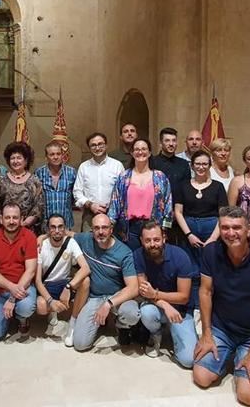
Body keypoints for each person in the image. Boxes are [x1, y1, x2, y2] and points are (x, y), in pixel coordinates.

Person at [193, 206, 250, 406]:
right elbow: (205, 292)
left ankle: (245, 359)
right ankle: (231, 354)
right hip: (222, 328)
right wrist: (207, 334)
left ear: (249, 230)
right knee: (201, 377)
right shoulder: (210, 252)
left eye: (237, 228)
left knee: (247, 397)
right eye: (225, 227)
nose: (231, 233)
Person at [71, 214, 140, 351]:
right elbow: (67, 234)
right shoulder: (86, 239)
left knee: (131, 314)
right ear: (92, 230)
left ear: (111, 229)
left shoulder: (124, 252)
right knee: (80, 344)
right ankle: (99, 323)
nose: (101, 231)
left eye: (104, 227)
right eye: (96, 228)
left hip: (117, 297)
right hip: (95, 297)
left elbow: (133, 288)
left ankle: (122, 326)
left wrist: (108, 304)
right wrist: (42, 237)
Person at [134, 221, 198, 367]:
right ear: (141, 241)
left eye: (156, 239)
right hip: (156, 306)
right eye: (147, 240)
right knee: (146, 312)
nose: (152, 244)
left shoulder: (180, 256)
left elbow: (183, 297)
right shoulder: (138, 255)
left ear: (164, 238)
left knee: (188, 361)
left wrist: (155, 294)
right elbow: (144, 292)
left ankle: (177, 332)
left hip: (181, 309)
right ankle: (156, 333)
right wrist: (164, 304)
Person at [173, 150, 227, 308]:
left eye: (204, 164)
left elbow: (222, 214)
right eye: (198, 163)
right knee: (192, 271)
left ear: (210, 165)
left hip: (212, 231)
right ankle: (194, 307)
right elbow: (178, 212)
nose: (201, 167)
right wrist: (189, 234)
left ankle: (212, 306)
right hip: (188, 232)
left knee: (212, 269)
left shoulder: (218, 187)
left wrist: (212, 239)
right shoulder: (183, 186)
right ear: (192, 165)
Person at [0, 204, 38, 343]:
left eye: (15, 218)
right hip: (1, 291)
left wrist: (13, 297)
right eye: (7, 217)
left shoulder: (29, 237)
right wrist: (11, 288)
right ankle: (8, 316)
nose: (11, 221)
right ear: (1, 219)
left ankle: (21, 318)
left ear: (21, 219)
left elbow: (31, 270)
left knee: (26, 307)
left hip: (24, 288)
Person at [35, 213, 90, 347]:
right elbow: (37, 281)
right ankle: (52, 311)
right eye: (53, 227)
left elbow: (86, 268)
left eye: (60, 227)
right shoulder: (42, 246)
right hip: (48, 284)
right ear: (48, 229)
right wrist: (50, 301)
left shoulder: (70, 242)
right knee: (41, 306)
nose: (57, 230)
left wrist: (69, 287)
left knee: (86, 281)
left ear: (65, 228)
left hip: (65, 282)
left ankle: (73, 322)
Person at [108, 138, 173, 251]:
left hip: (153, 228)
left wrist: (164, 229)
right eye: (137, 149)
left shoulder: (160, 177)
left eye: (144, 149)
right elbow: (115, 204)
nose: (140, 152)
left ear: (149, 153)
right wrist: (109, 226)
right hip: (129, 229)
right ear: (132, 153)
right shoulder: (123, 177)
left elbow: (168, 204)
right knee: (132, 261)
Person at [73, 132, 124, 232]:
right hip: (89, 215)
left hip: (113, 214)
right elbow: (77, 192)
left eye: (100, 144)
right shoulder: (84, 167)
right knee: (87, 244)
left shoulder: (117, 166)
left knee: (111, 244)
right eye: (93, 145)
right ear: (89, 148)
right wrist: (90, 205)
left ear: (106, 145)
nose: (97, 148)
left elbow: (123, 192)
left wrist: (113, 207)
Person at [0, 141, 45, 233]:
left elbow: (38, 206)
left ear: (26, 161)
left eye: (19, 158)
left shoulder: (34, 181)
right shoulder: (2, 181)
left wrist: (25, 223)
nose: (15, 161)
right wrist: (3, 221)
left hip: (28, 230)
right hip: (5, 229)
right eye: (12, 158)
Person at [34, 142, 77, 230]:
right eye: (52, 154)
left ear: (62, 155)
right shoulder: (39, 173)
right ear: (46, 157)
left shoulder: (71, 172)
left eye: (58, 154)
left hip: (65, 222)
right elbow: (35, 198)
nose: (56, 157)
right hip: (45, 224)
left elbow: (76, 195)